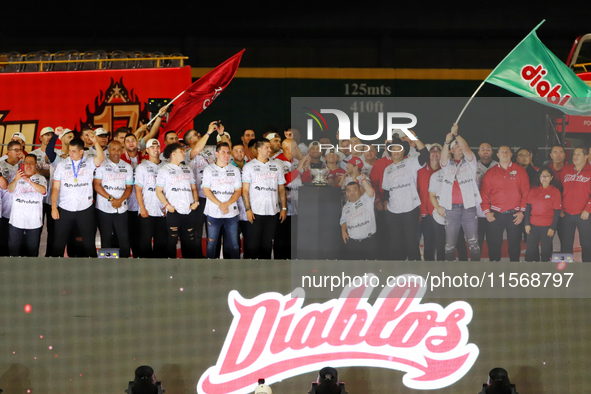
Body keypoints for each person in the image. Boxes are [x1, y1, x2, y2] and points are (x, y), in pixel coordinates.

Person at [51, 136, 105, 257]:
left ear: (81, 151)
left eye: (74, 151)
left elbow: (101, 158)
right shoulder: (62, 164)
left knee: (89, 243)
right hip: (65, 209)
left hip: (85, 209)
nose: (70, 153)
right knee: (59, 243)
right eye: (70, 150)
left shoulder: (89, 161)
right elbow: (55, 188)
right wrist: (54, 207)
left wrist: (95, 141)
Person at [382, 135, 429, 260]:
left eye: (399, 149)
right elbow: (386, 190)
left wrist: (415, 137)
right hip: (393, 211)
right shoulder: (387, 169)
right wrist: (386, 207)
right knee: (396, 243)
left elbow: (425, 155)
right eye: (394, 149)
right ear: (390, 152)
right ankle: (398, 272)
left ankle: (415, 272)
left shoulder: (411, 161)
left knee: (412, 241)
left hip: (410, 208)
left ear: (403, 151)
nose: (396, 152)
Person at [480, 145, 530, 261]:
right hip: (495, 214)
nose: (505, 154)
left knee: (514, 246)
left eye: (507, 152)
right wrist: (487, 211)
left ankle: (513, 271)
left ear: (511, 154)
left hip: (515, 215)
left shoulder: (520, 171)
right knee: (494, 245)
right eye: (502, 152)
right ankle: (495, 270)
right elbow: (484, 193)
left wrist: (522, 212)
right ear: (497, 155)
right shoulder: (491, 172)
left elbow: (526, 193)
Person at [439, 125, 481, 261]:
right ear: (451, 150)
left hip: (469, 207)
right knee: (450, 245)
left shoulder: (470, 163)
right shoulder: (447, 165)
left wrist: (457, 136)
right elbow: (443, 157)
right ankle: (449, 275)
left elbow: (467, 148)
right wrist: (446, 142)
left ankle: (477, 272)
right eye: (457, 145)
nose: (461, 147)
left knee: (473, 243)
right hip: (451, 209)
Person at [242, 139, 287, 259]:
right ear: (259, 149)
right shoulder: (249, 166)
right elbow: (245, 190)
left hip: (273, 211)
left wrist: (283, 208)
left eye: (270, 147)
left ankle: (265, 273)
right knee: (252, 243)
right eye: (267, 147)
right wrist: (248, 209)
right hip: (255, 211)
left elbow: (281, 189)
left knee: (267, 243)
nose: (270, 150)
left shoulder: (277, 165)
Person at [156, 143, 200, 258]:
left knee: (190, 240)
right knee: (172, 240)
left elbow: (194, 188)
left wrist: (196, 202)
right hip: (173, 211)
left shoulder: (187, 169)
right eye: (181, 151)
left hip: (189, 210)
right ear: (173, 154)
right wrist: (167, 206)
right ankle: (171, 269)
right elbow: (158, 191)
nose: (184, 153)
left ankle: (189, 267)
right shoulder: (164, 170)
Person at [93, 140, 133, 258]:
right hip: (103, 208)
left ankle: (125, 262)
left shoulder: (127, 167)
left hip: (121, 208)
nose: (116, 152)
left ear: (122, 150)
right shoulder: (101, 165)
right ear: (108, 150)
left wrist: (119, 201)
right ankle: (107, 264)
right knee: (106, 237)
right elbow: (97, 185)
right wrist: (111, 199)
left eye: (119, 149)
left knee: (124, 237)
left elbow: (129, 187)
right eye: (113, 149)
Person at [202, 143, 242, 259]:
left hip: (231, 212)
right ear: (216, 153)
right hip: (213, 212)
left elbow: (238, 191)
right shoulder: (208, 169)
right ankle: (210, 268)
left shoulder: (235, 170)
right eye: (223, 152)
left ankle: (235, 269)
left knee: (234, 244)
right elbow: (206, 191)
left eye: (228, 152)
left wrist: (227, 204)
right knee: (212, 243)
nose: (226, 155)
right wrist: (220, 205)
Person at [44, 127, 75, 257]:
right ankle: (51, 259)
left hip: (71, 203)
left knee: (71, 235)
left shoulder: (77, 157)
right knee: (53, 234)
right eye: (69, 136)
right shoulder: (56, 157)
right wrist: (55, 135)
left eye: (73, 137)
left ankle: (73, 260)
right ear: (62, 139)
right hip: (54, 203)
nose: (72, 139)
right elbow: (48, 150)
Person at [7, 154, 46, 256]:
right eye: (26, 162)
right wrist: (16, 179)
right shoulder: (17, 177)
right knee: (13, 249)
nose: (28, 165)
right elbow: (10, 189)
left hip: (34, 222)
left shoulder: (41, 178)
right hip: (16, 221)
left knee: (32, 250)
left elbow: (43, 190)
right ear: (23, 164)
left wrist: (30, 182)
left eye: (31, 163)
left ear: (35, 165)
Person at [134, 139, 167, 258]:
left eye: (157, 146)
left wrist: (167, 207)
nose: (155, 149)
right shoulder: (141, 167)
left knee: (161, 240)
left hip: (162, 209)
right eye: (152, 147)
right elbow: (138, 190)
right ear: (147, 150)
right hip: (147, 209)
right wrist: (142, 208)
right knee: (145, 239)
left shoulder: (166, 166)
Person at [524, 167, 562, 262]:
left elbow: (557, 211)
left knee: (546, 251)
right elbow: (528, 208)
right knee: (530, 251)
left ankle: (545, 272)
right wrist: (527, 224)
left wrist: (553, 228)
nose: (544, 178)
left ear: (551, 177)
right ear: (539, 177)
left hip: (547, 226)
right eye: (542, 176)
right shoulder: (533, 190)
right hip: (533, 225)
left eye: (547, 176)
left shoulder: (555, 192)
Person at [560, 147, 591, 262]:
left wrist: (588, 209)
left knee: (587, 244)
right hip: (567, 213)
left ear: (586, 156)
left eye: (579, 154)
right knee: (566, 244)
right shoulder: (566, 170)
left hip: (584, 214)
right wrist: (561, 208)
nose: (575, 156)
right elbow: (559, 189)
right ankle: (565, 269)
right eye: (574, 154)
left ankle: (587, 269)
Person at [340, 177, 377, 260]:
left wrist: (363, 180)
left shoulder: (366, 200)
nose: (352, 192)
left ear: (359, 191)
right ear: (347, 193)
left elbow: (371, 192)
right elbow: (343, 220)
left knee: (371, 269)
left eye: (354, 189)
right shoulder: (346, 207)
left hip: (369, 241)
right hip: (353, 243)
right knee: (355, 270)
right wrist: (343, 230)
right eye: (349, 190)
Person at [417, 143, 441, 261]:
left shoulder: (446, 171)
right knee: (428, 246)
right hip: (424, 214)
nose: (435, 153)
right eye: (432, 150)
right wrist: (418, 211)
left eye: (438, 150)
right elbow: (415, 192)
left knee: (441, 245)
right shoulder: (420, 171)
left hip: (440, 213)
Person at [0, 141, 24, 255]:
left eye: (20, 149)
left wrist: (25, 161)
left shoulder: (25, 164)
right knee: (4, 241)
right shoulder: (1, 164)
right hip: (5, 208)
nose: (19, 152)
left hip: (21, 209)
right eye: (16, 150)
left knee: (18, 244)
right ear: (8, 152)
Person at [121, 133, 143, 256]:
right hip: (126, 204)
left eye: (133, 140)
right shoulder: (120, 159)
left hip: (142, 205)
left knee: (140, 236)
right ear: (124, 144)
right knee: (126, 236)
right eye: (127, 141)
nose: (130, 143)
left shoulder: (144, 157)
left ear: (137, 142)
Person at [476, 142, 497, 254]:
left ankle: (494, 265)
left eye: (488, 148)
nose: (485, 150)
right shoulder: (473, 166)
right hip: (477, 210)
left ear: (492, 152)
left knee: (493, 241)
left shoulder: (498, 166)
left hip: (494, 209)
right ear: (478, 152)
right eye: (482, 148)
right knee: (477, 241)